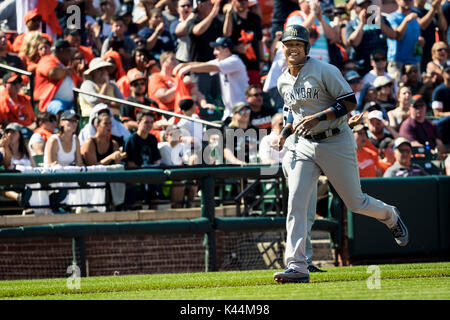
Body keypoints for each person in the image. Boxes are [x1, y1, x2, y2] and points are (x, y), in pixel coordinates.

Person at [273, 25, 409, 284]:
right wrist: (285, 132)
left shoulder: (325, 70)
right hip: (303, 144)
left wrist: (318, 117)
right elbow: (292, 111)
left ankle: (390, 215)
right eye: (288, 44)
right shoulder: (282, 80)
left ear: (306, 48)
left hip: (336, 139)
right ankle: (298, 266)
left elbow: (348, 101)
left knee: (355, 202)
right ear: (282, 47)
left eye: (298, 44)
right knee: (297, 203)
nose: (293, 48)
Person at [175, 37, 249, 120]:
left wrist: (189, 68)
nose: (214, 52)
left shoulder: (234, 61)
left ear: (227, 50)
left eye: (217, 49)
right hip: (230, 112)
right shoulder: (221, 61)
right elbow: (202, 64)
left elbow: (210, 67)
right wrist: (184, 65)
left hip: (242, 111)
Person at [344, 0, 396, 76]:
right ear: (355, 8)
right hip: (362, 68)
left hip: (381, 67)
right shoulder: (351, 24)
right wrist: (362, 23)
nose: (366, 8)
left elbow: (393, 36)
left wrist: (380, 22)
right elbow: (354, 42)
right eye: (362, 6)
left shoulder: (381, 20)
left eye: (368, 4)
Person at [185, 0, 223, 99]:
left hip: (214, 67)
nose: (213, 6)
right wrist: (212, 15)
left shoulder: (216, 22)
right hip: (199, 69)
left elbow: (226, 34)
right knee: (201, 100)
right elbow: (197, 31)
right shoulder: (192, 21)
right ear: (200, 6)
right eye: (210, 4)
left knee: (218, 99)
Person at [284, 0, 339, 64]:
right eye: (309, 1)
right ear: (301, 2)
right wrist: (313, 14)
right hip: (302, 62)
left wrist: (320, 18)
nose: (314, 4)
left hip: (322, 62)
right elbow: (296, 32)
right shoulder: (295, 16)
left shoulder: (323, 18)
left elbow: (333, 37)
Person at [223, 0, 264, 85]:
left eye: (245, 0)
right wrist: (228, 14)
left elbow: (259, 41)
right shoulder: (230, 17)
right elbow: (226, 34)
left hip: (253, 64)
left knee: (254, 92)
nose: (243, 2)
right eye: (239, 0)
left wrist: (261, 60)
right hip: (236, 64)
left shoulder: (255, 18)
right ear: (232, 2)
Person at [34, 39, 76, 114]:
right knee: (59, 108)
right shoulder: (47, 59)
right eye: (69, 51)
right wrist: (67, 71)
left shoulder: (66, 64)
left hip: (70, 103)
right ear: (61, 50)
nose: (71, 54)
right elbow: (53, 73)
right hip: (50, 101)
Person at [400, 94, 447, 159]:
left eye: (421, 106)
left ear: (425, 107)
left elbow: (439, 142)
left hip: (434, 157)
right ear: (410, 108)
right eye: (416, 106)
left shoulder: (431, 124)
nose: (419, 109)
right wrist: (431, 152)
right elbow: (414, 144)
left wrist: (441, 152)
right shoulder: (407, 125)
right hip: (418, 159)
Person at [386, 0, 422, 83]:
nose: (408, 2)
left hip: (414, 61)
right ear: (397, 1)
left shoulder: (414, 18)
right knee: (397, 89)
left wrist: (420, 41)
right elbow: (397, 36)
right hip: (397, 62)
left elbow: (416, 37)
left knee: (415, 91)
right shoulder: (391, 17)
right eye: (405, 0)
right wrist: (406, 20)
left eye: (410, 0)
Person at [411, 0, 447, 71]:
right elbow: (421, 25)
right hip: (418, 54)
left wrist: (439, 9)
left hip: (431, 53)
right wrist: (433, 8)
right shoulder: (411, 11)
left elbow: (443, 27)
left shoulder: (429, 12)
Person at [431, 60, 450, 146]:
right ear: (442, 73)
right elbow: (437, 114)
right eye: (448, 72)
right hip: (445, 126)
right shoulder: (439, 91)